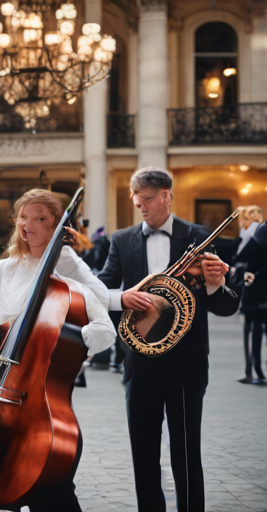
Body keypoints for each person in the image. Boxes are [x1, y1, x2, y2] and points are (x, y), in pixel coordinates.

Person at [0, 189, 116, 512]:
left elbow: (107, 332)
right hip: (0, 392)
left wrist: (62, 341)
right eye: (23, 216)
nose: (28, 224)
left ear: (55, 229)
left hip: (44, 408)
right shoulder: (7, 269)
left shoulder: (69, 280)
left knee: (53, 496)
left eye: (40, 219)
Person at [98, 167, 239, 512]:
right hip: (140, 360)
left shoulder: (200, 236)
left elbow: (225, 307)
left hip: (186, 363)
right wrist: (124, 297)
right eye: (136, 198)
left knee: (187, 450)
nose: (140, 205)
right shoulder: (121, 239)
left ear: (166, 196)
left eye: (147, 199)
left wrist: (213, 282)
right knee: (143, 450)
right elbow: (100, 291)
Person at [235, 214, 267, 384]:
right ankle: (255, 371)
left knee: (253, 328)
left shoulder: (262, 232)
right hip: (258, 288)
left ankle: (256, 372)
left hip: (257, 289)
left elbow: (243, 256)